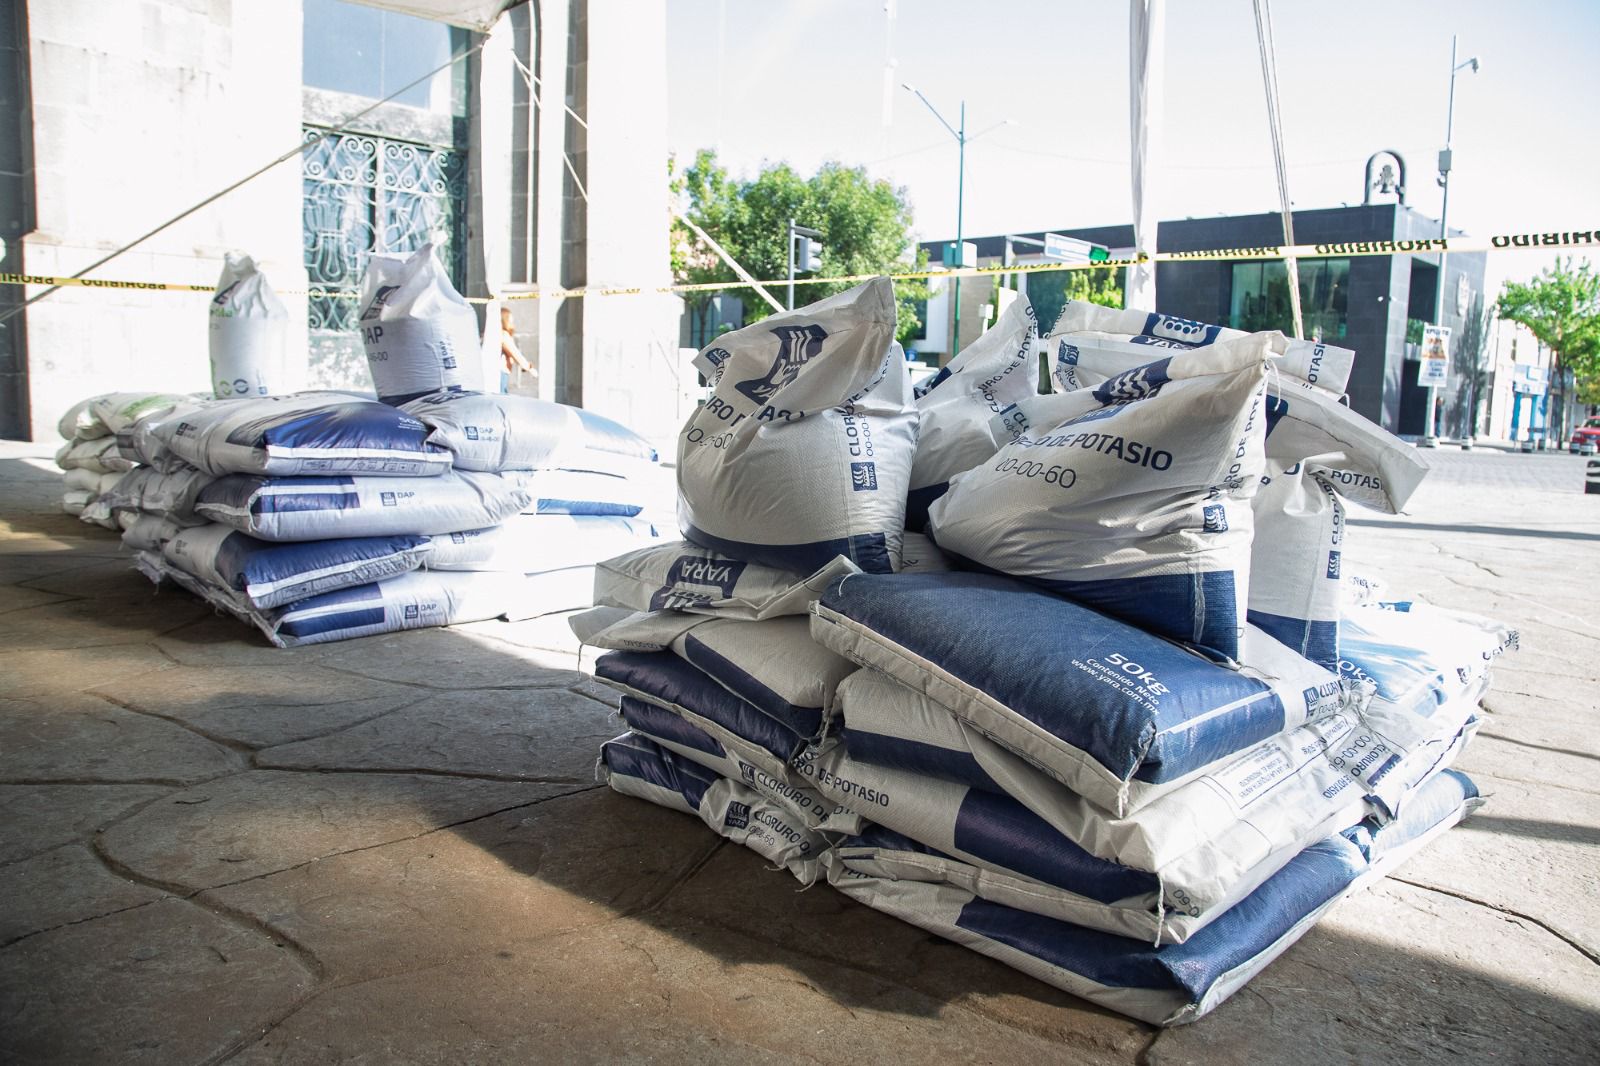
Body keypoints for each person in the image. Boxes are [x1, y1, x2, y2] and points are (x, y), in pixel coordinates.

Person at [500, 305, 533, 393]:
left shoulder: (497, 334)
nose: (512, 324)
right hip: (501, 372)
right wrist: (528, 367)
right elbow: (514, 353)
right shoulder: (503, 335)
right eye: (510, 321)